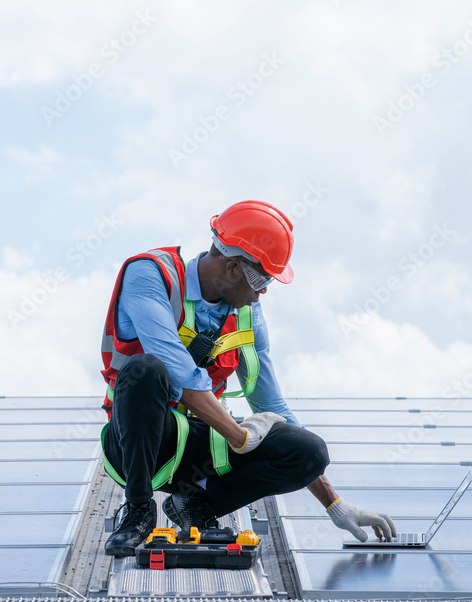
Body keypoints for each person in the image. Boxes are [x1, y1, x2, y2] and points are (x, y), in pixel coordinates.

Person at [99, 200, 396, 557]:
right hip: (137, 444)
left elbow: (271, 405)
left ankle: (196, 505)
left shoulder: (247, 314)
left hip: (197, 451)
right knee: (146, 369)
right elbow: (179, 372)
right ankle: (138, 510)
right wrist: (239, 435)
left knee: (308, 450)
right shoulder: (150, 275)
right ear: (232, 267)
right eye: (263, 277)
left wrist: (333, 502)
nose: (265, 290)